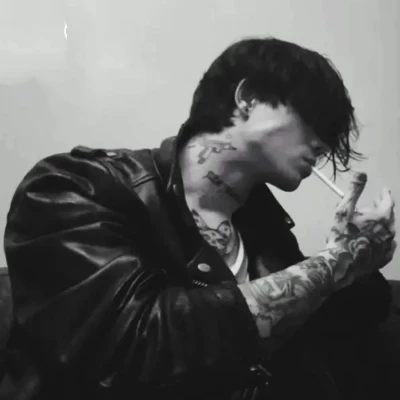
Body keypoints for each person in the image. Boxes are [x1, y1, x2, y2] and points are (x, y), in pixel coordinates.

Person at [3, 37, 396, 400]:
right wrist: (335, 263)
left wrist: (355, 255)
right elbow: (131, 350)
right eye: (314, 117)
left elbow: (352, 317)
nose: (324, 144)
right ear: (248, 98)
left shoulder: (265, 230)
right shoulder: (76, 187)